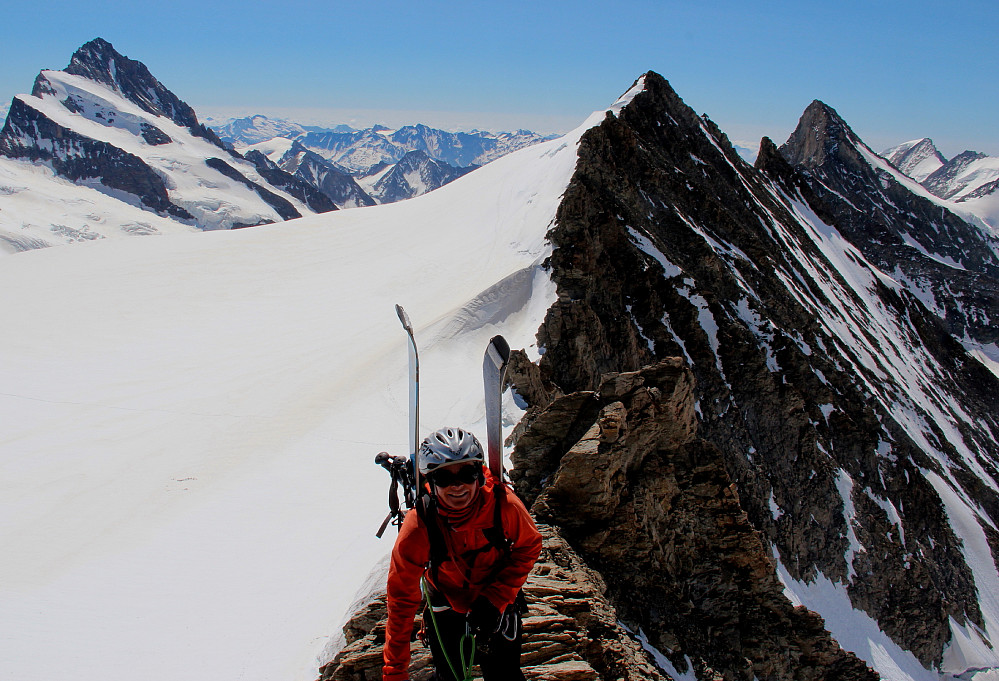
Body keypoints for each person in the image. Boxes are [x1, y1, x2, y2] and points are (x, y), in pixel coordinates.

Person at [382, 427, 543, 681]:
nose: (457, 486)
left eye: (466, 474)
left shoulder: (504, 506)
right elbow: (401, 601)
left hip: (496, 604)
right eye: (444, 478)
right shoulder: (419, 525)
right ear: (431, 483)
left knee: (505, 676)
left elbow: (529, 546)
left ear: (479, 475)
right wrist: (394, 672)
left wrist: (497, 597)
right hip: (446, 603)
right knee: (450, 677)